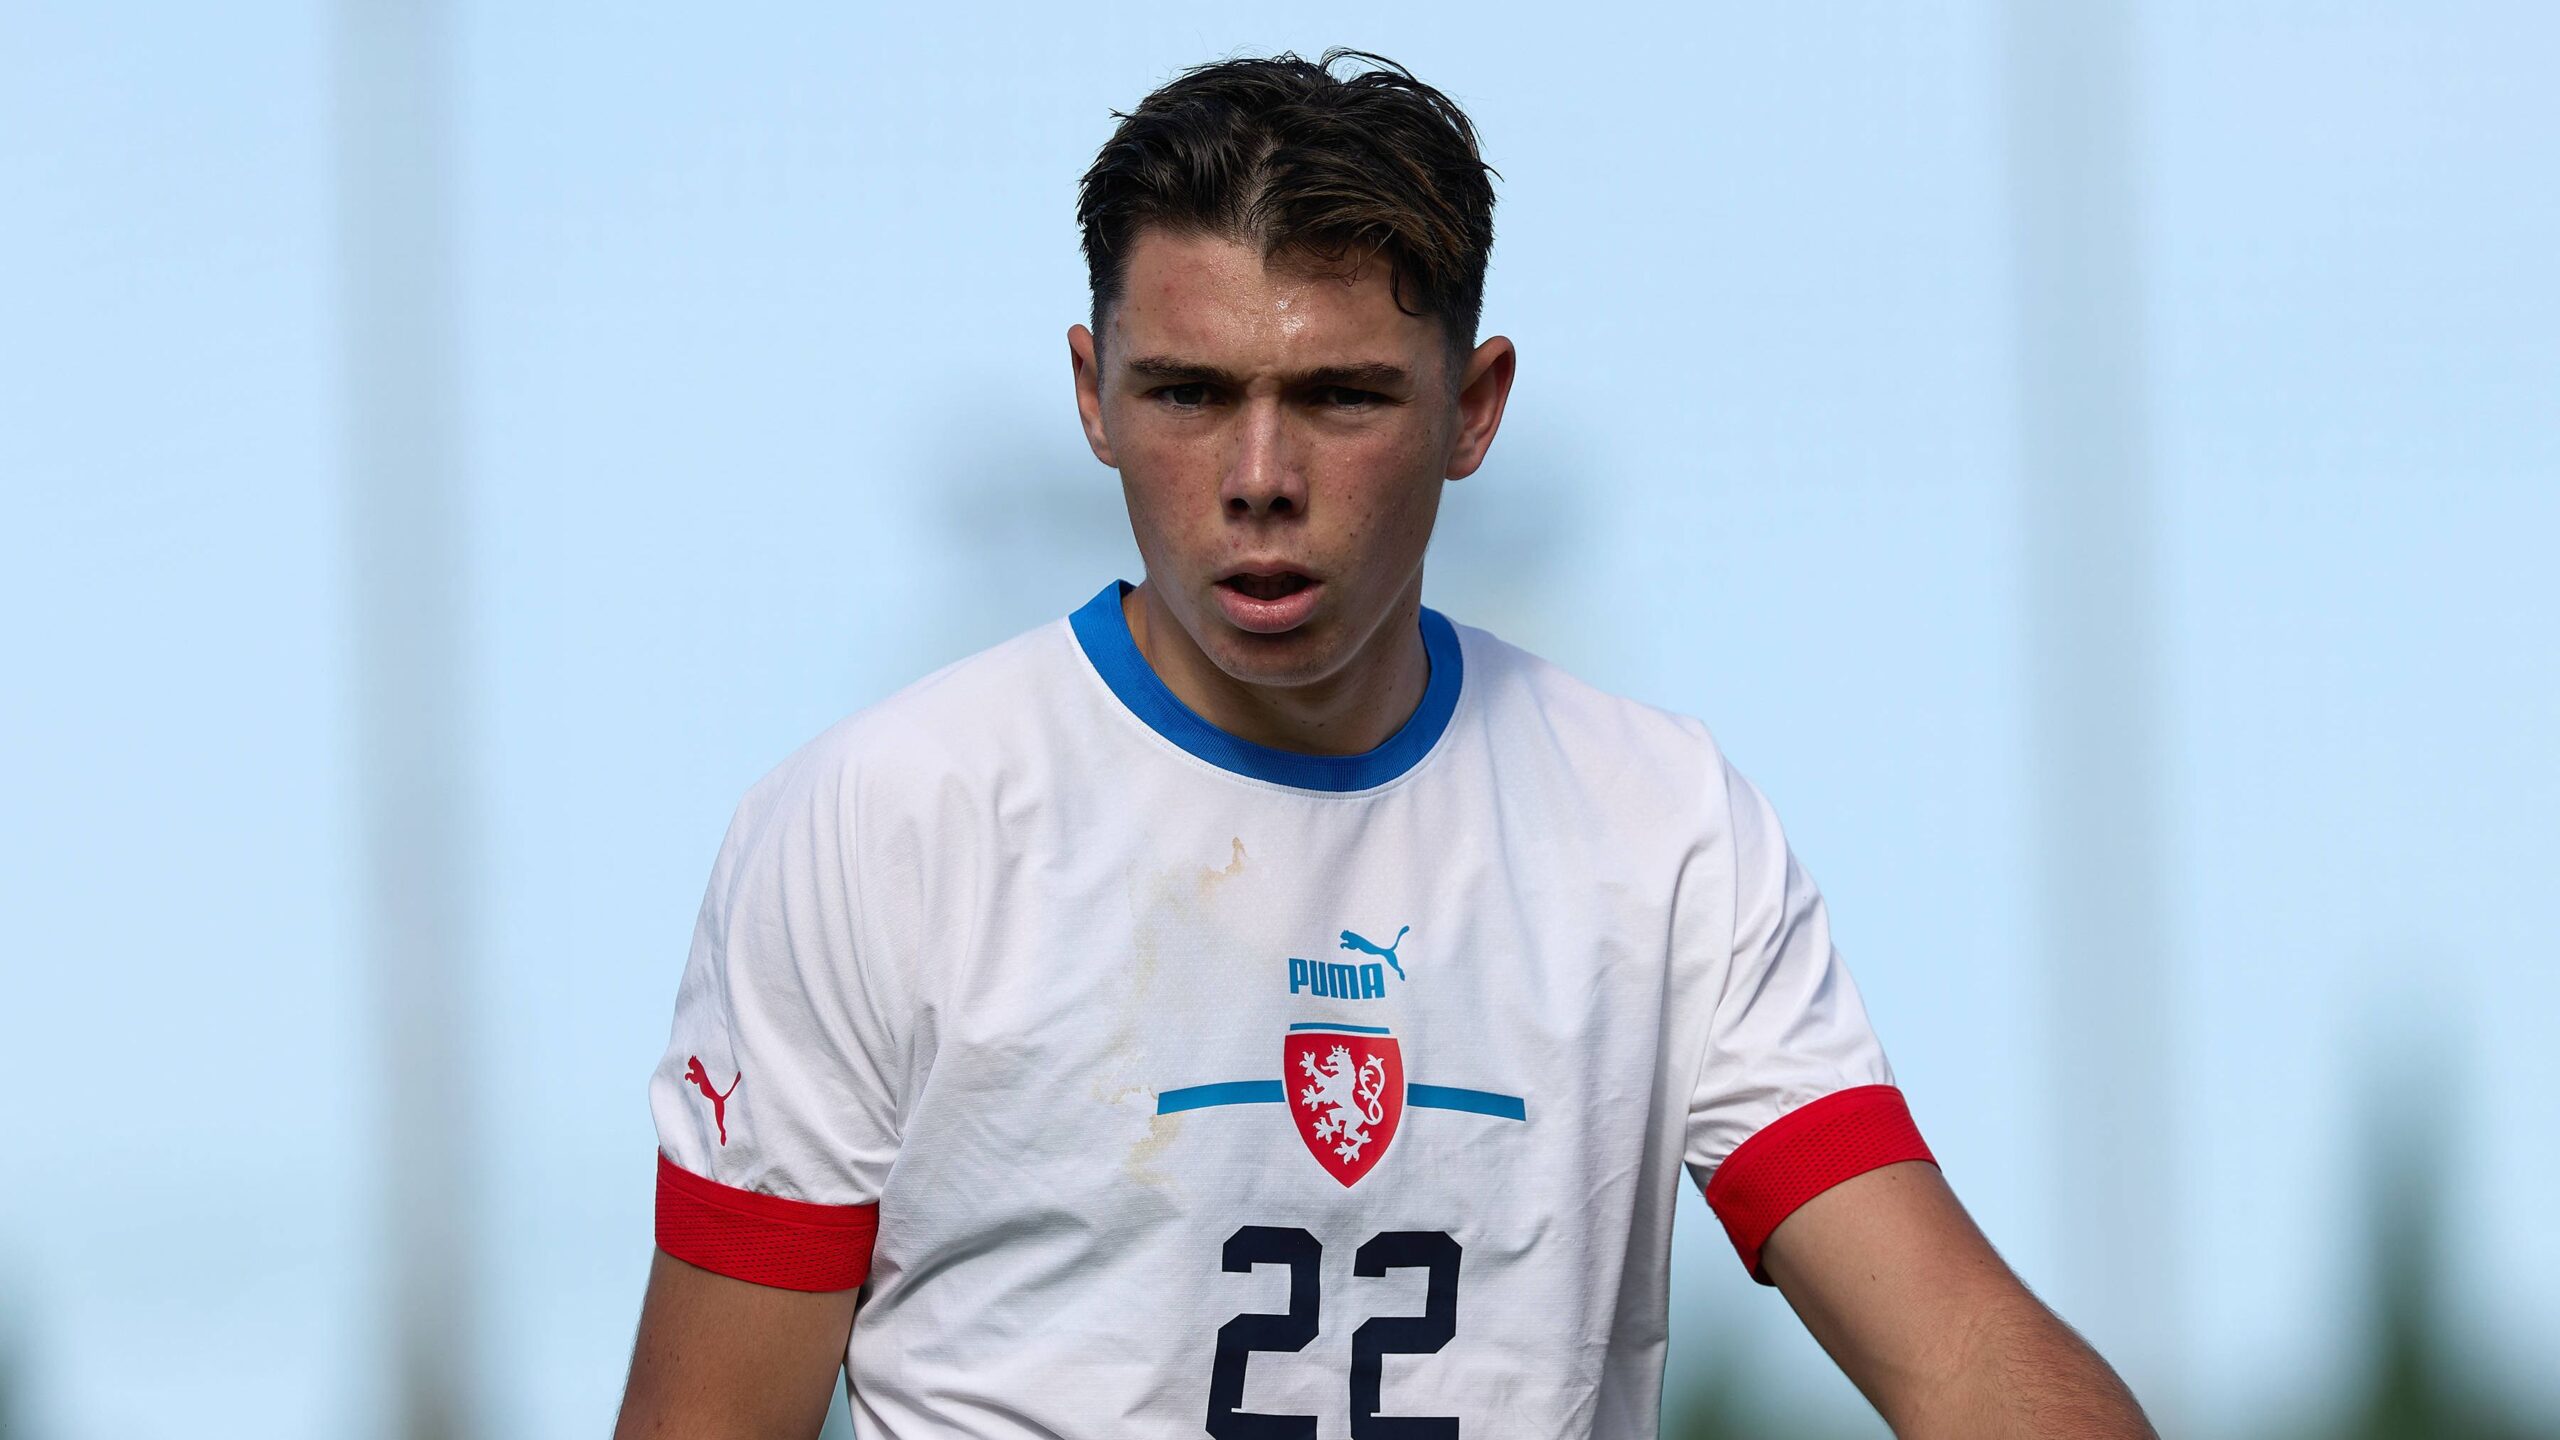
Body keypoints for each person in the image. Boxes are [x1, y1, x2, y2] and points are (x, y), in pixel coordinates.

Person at [613, 48, 2154, 1440]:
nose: (1260, 475)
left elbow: (1958, 1355)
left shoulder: (1656, 823)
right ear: (1091, 394)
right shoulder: (882, 820)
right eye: (1190, 395)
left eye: (1343, 397)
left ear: (1472, 410)